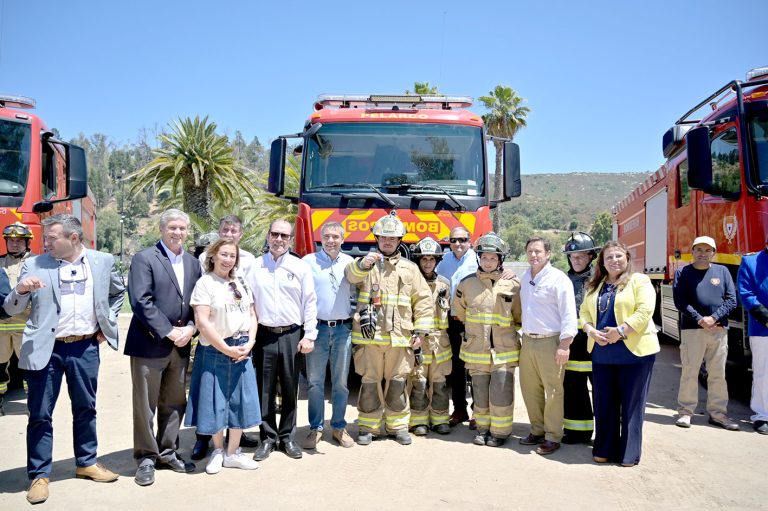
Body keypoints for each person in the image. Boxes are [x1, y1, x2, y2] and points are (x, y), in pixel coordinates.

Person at [3, 214, 124, 504]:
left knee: (86, 408)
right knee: (40, 414)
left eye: (51, 237)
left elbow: (118, 293)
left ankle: (86, 462)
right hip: (47, 350)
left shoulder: (102, 261)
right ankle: (40, 475)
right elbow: (9, 307)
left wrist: (106, 324)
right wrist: (20, 290)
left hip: (85, 349)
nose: (45, 242)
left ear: (73, 238)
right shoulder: (34, 264)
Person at [125, 209, 202, 486]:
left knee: (173, 402)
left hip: (181, 345)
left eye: (182, 228)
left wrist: (191, 329)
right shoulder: (144, 258)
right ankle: (146, 458)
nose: (177, 233)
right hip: (150, 344)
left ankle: (168, 451)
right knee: (145, 405)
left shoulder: (194, 263)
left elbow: (198, 302)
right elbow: (141, 301)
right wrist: (170, 332)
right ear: (161, 229)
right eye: (172, 227)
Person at [345, 213, 432, 446]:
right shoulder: (366, 265)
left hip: (400, 338)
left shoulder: (410, 269)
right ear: (377, 238)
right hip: (370, 338)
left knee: (398, 382)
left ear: (399, 240)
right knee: (370, 382)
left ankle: (398, 426)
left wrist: (421, 332)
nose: (387, 242)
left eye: (392, 238)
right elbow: (350, 276)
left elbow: (423, 300)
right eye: (384, 237)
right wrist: (362, 264)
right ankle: (368, 427)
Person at [185, 239, 261, 473]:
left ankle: (233, 453)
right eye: (224, 254)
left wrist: (250, 342)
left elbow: (252, 315)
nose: (228, 259)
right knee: (215, 400)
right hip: (215, 349)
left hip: (242, 348)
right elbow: (202, 322)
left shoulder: (240, 283)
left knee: (240, 401)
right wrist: (226, 349)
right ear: (213, 256)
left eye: (232, 256)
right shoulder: (205, 283)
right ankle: (218, 450)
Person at [580, 241, 660, 466]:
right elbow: (584, 313)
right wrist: (591, 331)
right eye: (609, 258)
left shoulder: (639, 281)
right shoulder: (595, 285)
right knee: (604, 403)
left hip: (634, 354)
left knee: (632, 405)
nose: (614, 261)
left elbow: (645, 311)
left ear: (626, 258)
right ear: (602, 263)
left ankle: (628, 453)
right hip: (602, 353)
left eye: (618, 256)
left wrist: (621, 332)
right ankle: (604, 448)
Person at [245, 219, 317, 461]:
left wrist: (309, 335)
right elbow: (248, 303)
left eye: (284, 236)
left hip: (291, 335)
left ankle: (286, 437)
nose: (279, 239)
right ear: (268, 236)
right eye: (275, 234)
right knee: (263, 389)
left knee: (289, 388)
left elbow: (310, 303)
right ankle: (266, 438)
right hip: (264, 335)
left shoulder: (300, 267)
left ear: (290, 240)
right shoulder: (254, 267)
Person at [454, 233, 522, 447]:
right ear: (479, 259)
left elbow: (518, 316)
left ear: (500, 260)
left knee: (501, 392)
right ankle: (483, 429)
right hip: (477, 349)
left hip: (504, 350)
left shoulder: (513, 285)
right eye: (485, 258)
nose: (488, 262)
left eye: (493, 258)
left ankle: (500, 432)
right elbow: (460, 314)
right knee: (480, 392)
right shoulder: (466, 285)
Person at [518, 237, 577, 456]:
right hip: (528, 341)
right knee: (530, 388)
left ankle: (553, 436)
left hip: (551, 342)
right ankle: (537, 430)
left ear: (548, 254)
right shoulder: (525, 277)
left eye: (538, 252)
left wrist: (564, 344)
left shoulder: (558, 279)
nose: (533, 255)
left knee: (553, 391)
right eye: (530, 251)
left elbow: (569, 313)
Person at [673, 236, 738, 430]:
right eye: (699, 249)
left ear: (713, 253)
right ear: (692, 251)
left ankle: (718, 414)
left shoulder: (723, 271)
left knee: (718, 374)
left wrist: (714, 318)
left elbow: (731, 300)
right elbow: (680, 301)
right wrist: (700, 319)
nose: (703, 253)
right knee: (690, 371)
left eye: (707, 250)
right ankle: (685, 412)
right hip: (693, 330)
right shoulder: (683, 273)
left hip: (718, 330)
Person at [302, 221, 355, 449]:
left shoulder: (350, 263)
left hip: (343, 329)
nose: (331, 241)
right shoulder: (308, 262)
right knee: (314, 382)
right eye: (327, 236)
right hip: (318, 330)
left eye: (335, 236)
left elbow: (360, 291)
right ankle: (315, 428)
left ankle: (339, 427)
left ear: (343, 239)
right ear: (320, 238)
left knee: (341, 383)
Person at [408, 236, 453, 436]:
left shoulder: (445, 284)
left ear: (437, 261)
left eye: (431, 259)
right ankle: (419, 421)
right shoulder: (411, 283)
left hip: (440, 344)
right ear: (418, 260)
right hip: (419, 342)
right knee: (418, 382)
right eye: (424, 259)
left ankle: (441, 419)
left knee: (440, 383)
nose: (427, 263)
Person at [436, 226, 476, 427]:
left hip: (473, 321)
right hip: (451, 321)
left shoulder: (479, 260)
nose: (458, 244)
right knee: (457, 369)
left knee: (476, 368)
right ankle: (459, 410)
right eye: (454, 240)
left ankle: (479, 412)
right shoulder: (443, 261)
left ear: (470, 241)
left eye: (462, 240)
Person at [561, 232, 598, 444]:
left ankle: (606, 432)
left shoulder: (599, 280)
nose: (576, 260)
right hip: (572, 345)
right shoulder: (563, 281)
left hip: (595, 345)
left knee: (602, 391)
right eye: (573, 256)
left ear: (591, 257)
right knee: (573, 389)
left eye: (581, 255)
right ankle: (577, 432)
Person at [737, 235, 768, 435]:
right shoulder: (750, 261)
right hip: (763, 327)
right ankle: (762, 415)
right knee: (763, 373)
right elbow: (746, 293)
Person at [0, 222, 34, 405]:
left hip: (26, 326)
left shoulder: (36, 263)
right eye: (11, 241)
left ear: (27, 242)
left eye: (19, 241)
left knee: (29, 368)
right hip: (1, 327)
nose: (14, 244)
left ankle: (33, 403)